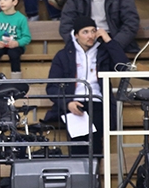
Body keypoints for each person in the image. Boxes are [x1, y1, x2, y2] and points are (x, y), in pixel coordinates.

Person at [47, 16, 127, 155]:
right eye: (85, 32)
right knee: (78, 148)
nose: (90, 36)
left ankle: (95, 175)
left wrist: (108, 41)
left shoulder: (104, 52)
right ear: (76, 35)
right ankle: (81, 176)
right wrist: (67, 103)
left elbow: (124, 67)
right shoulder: (63, 55)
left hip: (98, 102)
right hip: (74, 104)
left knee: (95, 147)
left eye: (93, 31)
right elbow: (52, 87)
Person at [0, 0, 31, 79]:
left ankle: (16, 80)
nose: (1, 2)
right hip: (2, 45)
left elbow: (26, 37)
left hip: (16, 46)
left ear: (14, 2)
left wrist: (17, 43)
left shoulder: (21, 18)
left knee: (14, 54)